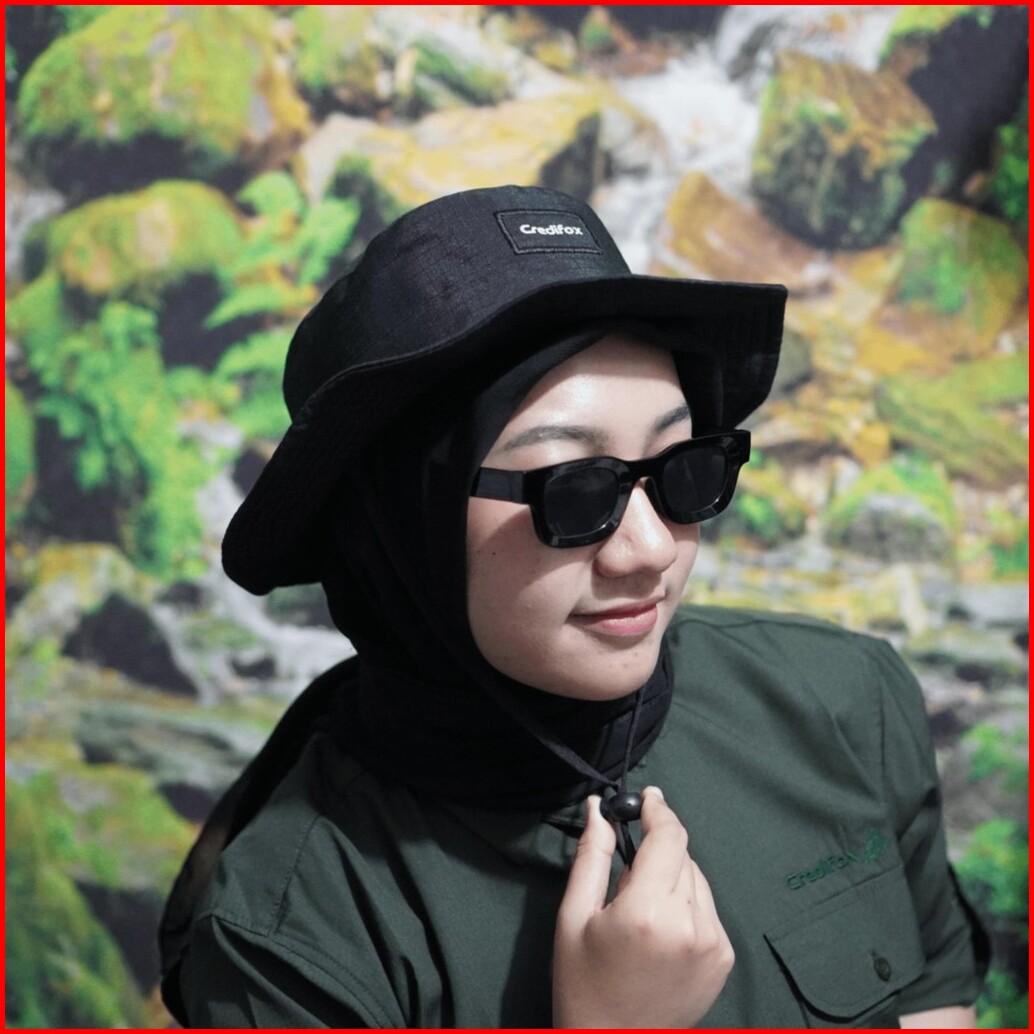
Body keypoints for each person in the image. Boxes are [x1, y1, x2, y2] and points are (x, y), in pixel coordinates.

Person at [159, 184, 987, 1028]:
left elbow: (936, 1008)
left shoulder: (841, 700)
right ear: (404, 526)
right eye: (576, 489)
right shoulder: (290, 941)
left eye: (683, 470)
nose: (651, 549)